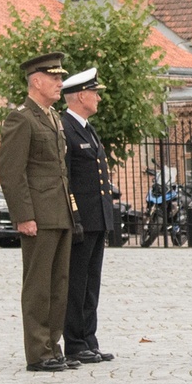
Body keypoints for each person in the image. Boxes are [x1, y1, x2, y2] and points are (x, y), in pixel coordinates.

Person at [0, 52, 79, 373]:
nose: (60, 83)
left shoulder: (53, 117)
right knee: (38, 285)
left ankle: (53, 346)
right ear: (36, 80)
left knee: (59, 284)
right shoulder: (22, 118)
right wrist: (23, 216)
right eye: (55, 78)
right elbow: (11, 172)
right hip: (38, 216)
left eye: (61, 78)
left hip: (59, 212)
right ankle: (37, 352)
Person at [62, 68, 116, 364]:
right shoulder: (65, 128)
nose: (97, 97)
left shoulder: (87, 128)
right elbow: (66, 179)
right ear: (81, 96)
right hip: (81, 220)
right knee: (76, 283)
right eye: (94, 92)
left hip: (98, 219)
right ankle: (73, 342)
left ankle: (88, 338)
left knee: (91, 282)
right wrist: (74, 218)